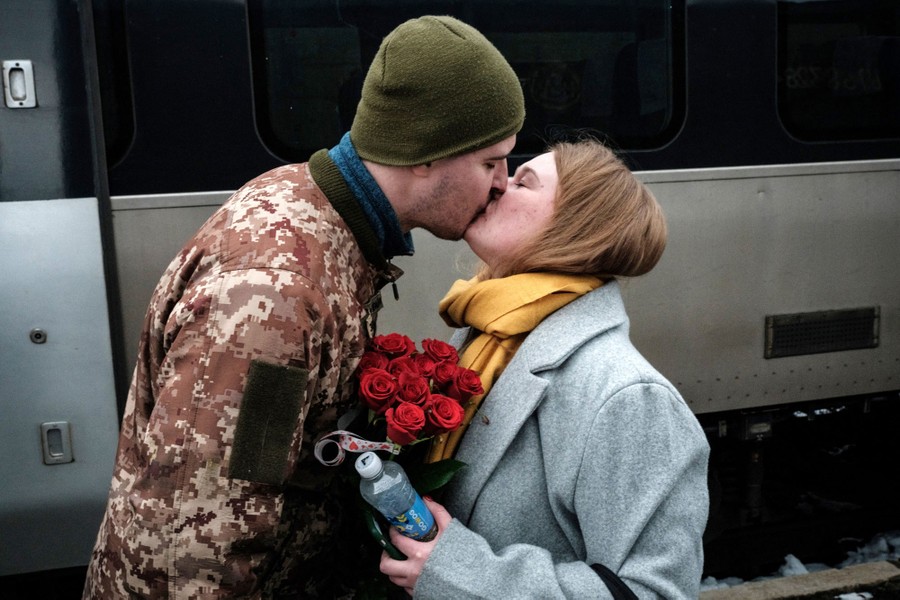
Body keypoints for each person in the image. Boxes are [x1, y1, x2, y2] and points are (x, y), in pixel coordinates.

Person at [83, 15, 524, 599]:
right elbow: (200, 545)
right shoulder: (279, 294)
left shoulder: (319, 213)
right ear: (424, 154)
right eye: (490, 162)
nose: (502, 183)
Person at [380, 137, 710, 599]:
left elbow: (655, 593)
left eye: (522, 182)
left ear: (575, 227)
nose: (498, 184)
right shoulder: (488, 335)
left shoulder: (628, 396)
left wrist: (462, 574)